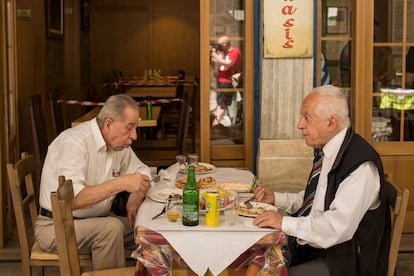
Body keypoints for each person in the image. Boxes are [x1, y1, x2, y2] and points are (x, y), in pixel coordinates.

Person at [248, 85, 391, 276]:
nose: (300, 124)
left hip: (346, 264)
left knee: (265, 271)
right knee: (256, 260)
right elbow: (316, 200)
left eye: (307, 117)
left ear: (331, 123)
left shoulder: (360, 165)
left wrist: (284, 222)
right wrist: (277, 199)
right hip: (318, 250)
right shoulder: (331, 150)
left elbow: (336, 228)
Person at [35, 94, 151, 270]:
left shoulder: (117, 144)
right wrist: (122, 183)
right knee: (110, 229)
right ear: (108, 124)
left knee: (149, 229)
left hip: (97, 219)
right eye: (129, 128)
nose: (134, 136)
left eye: (136, 127)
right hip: (56, 226)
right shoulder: (73, 142)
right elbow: (73, 200)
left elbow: (143, 171)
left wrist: (137, 194)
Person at [211, 35, 242, 127]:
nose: (220, 48)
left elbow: (228, 64)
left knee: (222, 105)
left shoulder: (235, 52)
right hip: (220, 81)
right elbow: (215, 62)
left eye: (220, 45)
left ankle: (214, 125)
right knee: (220, 103)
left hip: (228, 81)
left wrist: (215, 54)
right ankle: (215, 124)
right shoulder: (222, 53)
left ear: (226, 44)